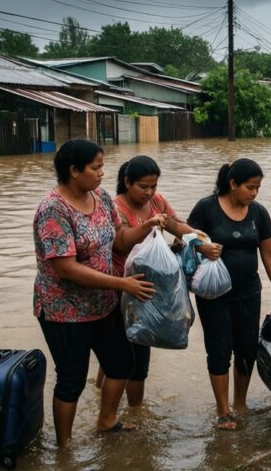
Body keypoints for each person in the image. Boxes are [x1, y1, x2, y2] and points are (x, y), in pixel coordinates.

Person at [33, 139, 156, 445]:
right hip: (64, 311)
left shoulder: (100, 196)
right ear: (74, 170)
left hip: (103, 303)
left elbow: (119, 239)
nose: (102, 173)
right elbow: (66, 268)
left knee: (121, 363)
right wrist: (122, 284)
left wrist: (148, 227)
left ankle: (106, 421)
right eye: (95, 167)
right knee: (72, 379)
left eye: (102, 166)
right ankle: (64, 447)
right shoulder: (53, 210)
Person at [186, 159, 271, 431]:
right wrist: (201, 247)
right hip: (214, 295)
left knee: (246, 350)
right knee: (219, 350)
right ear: (232, 184)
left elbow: (270, 255)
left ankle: (240, 404)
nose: (254, 193)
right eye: (250, 187)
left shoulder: (259, 213)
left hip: (249, 292)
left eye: (258, 188)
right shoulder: (206, 208)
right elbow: (183, 240)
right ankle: (223, 411)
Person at [96, 155, 198, 407]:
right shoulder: (115, 207)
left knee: (124, 350)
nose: (149, 192)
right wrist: (150, 224)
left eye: (153, 186)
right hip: (123, 287)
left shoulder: (157, 201)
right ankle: (135, 413)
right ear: (127, 182)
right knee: (135, 354)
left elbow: (177, 225)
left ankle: (100, 394)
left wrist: (198, 239)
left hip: (150, 287)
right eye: (143, 186)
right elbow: (121, 243)